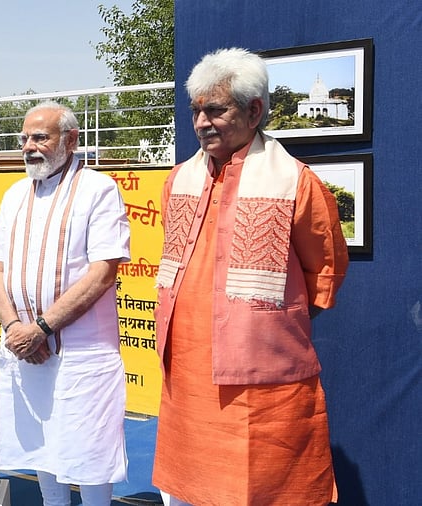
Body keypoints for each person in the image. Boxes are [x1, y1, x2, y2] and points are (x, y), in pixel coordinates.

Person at [152, 48, 349, 505]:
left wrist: (260, 324)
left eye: (215, 109)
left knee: (266, 490)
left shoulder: (297, 183)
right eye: (196, 110)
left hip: (263, 386)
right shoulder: (178, 179)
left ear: (254, 110)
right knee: (185, 490)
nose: (201, 122)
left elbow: (325, 273)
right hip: (185, 378)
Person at [0, 101, 131, 506]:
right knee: (39, 442)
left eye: (40, 137)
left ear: (71, 139)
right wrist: (16, 329)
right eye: (25, 138)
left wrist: (42, 328)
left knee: (89, 450)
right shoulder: (14, 194)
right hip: (26, 350)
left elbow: (102, 272)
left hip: (81, 353)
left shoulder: (98, 189)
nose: (30, 146)